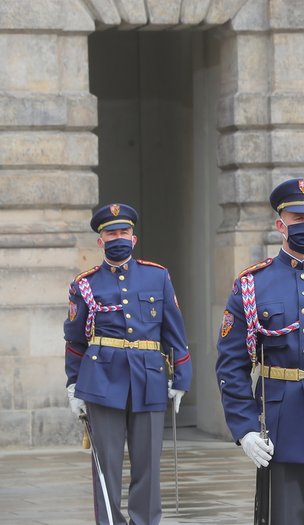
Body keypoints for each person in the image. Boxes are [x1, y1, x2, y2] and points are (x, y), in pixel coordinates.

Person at [215, 178, 304, 524]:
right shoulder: (253, 283)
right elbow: (232, 363)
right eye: (297, 219)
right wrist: (244, 427)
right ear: (280, 225)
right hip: (280, 422)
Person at [64, 203, 192, 525]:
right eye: (111, 233)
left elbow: (174, 331)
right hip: (101, 379)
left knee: (148, 465)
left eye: (123, 232)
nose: (117, 237)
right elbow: (76, 339)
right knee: (106, 466)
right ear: (100, 240)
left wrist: (181, 378)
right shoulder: (85, 284)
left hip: (148, 377)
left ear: (133, 238)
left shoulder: (157, 276)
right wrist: (72, 384)